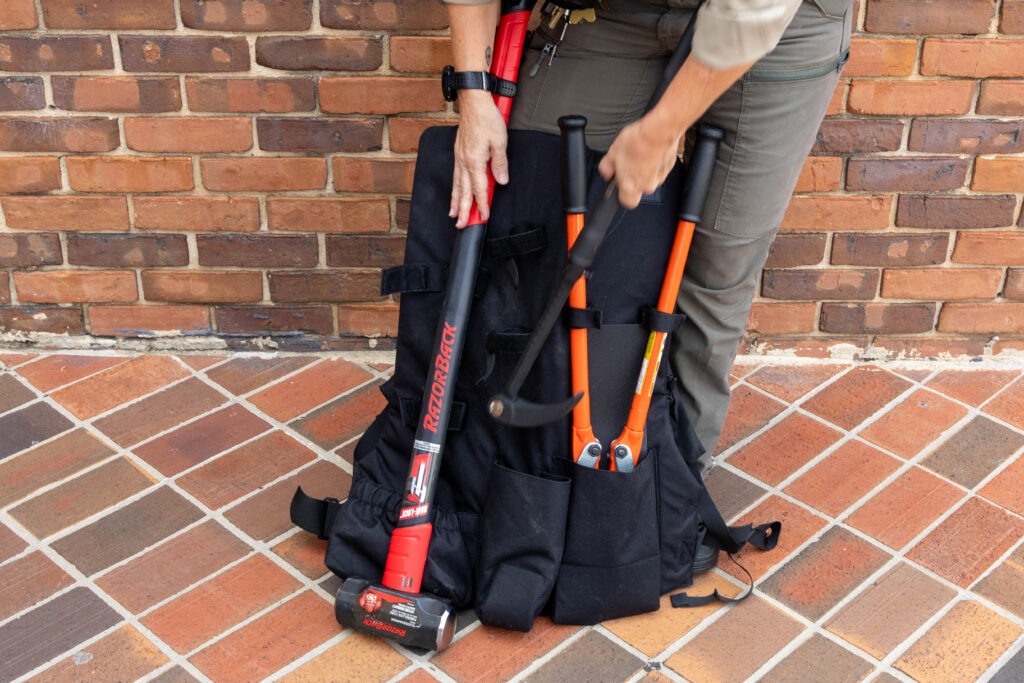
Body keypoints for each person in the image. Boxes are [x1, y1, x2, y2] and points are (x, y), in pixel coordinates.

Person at [443, 0, 852, 470]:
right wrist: (473, 93)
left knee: (718, 264)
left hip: (773, 24)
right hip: (611, 12)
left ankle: (664, 500)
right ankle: (522, 475)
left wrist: (661, 131)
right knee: (534, 211)